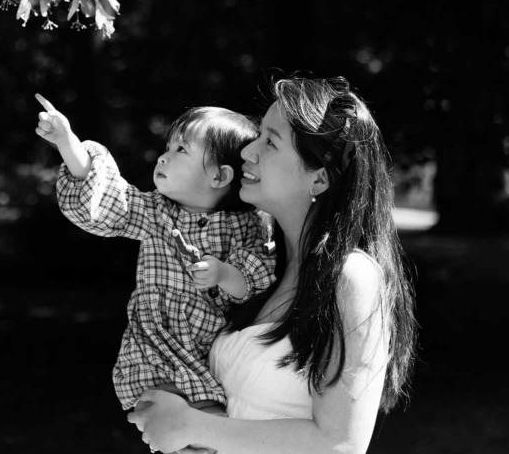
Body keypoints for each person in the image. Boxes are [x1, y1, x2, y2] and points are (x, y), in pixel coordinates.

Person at [128, 76, 418, 454]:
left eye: (270, 141)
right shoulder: (262, 268)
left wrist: (190, 425)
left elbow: (341, 443)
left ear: (318, 178)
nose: (248, 150)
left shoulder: (351, 277)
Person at [35, 93, 276, 416]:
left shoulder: (248, 225)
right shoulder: (155, 213)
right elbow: (107, 196)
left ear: (219, 176)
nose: (163, 157)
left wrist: (223, 274)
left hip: (212, 350)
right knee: (175, 419)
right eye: (168, 148)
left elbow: (259, 280)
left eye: (181, 150)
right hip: (155, 348)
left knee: (210, 427)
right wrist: (68, 142)